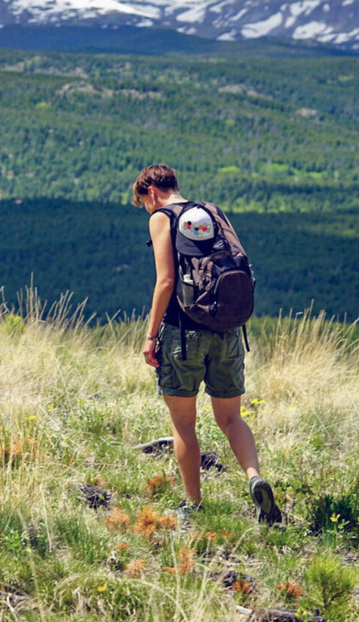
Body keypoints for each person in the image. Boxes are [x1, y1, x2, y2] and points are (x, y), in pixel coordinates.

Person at [132, 164, 281, 524]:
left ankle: (193, 506)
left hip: (184, 333)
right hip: (228, 329)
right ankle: (254, 477)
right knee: (231, 417)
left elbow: (166, 281)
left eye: (143, 203)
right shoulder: (213, 211)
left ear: (151, 192)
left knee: (183, 424)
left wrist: (151, 335)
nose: (147, 211)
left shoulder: (163, 217)